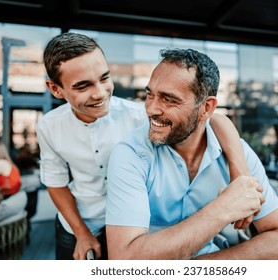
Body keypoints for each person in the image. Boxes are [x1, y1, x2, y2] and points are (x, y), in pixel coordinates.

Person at [36, 32, 250, 260]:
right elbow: (56, 183)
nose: (100, 92)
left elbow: (211, 118)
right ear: (56, 89)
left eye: (104, 78)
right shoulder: (49, 127)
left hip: (133, 229)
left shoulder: (140, 114)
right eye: (83, 86)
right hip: (77, 225)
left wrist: (241, 175)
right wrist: (81, 232)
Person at [106, 48, 278, 259]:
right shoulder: (130, 155)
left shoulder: (237, 152)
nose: (151, 108)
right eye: (150, 94)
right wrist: (223, 208)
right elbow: (124, 261)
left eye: (168, 99)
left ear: (206, 108)